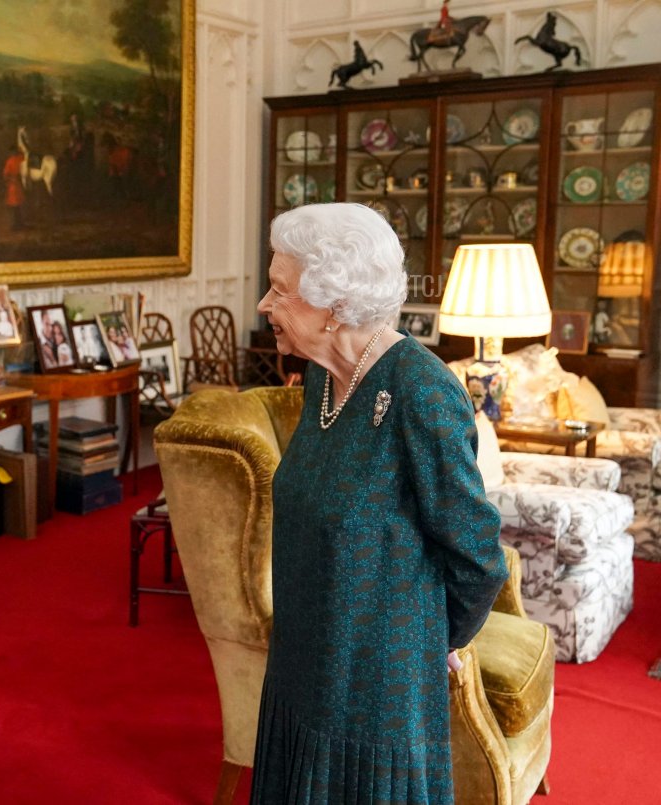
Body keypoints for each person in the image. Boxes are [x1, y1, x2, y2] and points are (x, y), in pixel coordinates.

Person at [251, 202, 506, 803]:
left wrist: (430, 643)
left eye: (279, 290)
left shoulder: (422, 390)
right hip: (302, 662)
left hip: (374, 686)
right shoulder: (321, 375)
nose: (265, 305)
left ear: (336, 303)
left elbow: (477, 555)